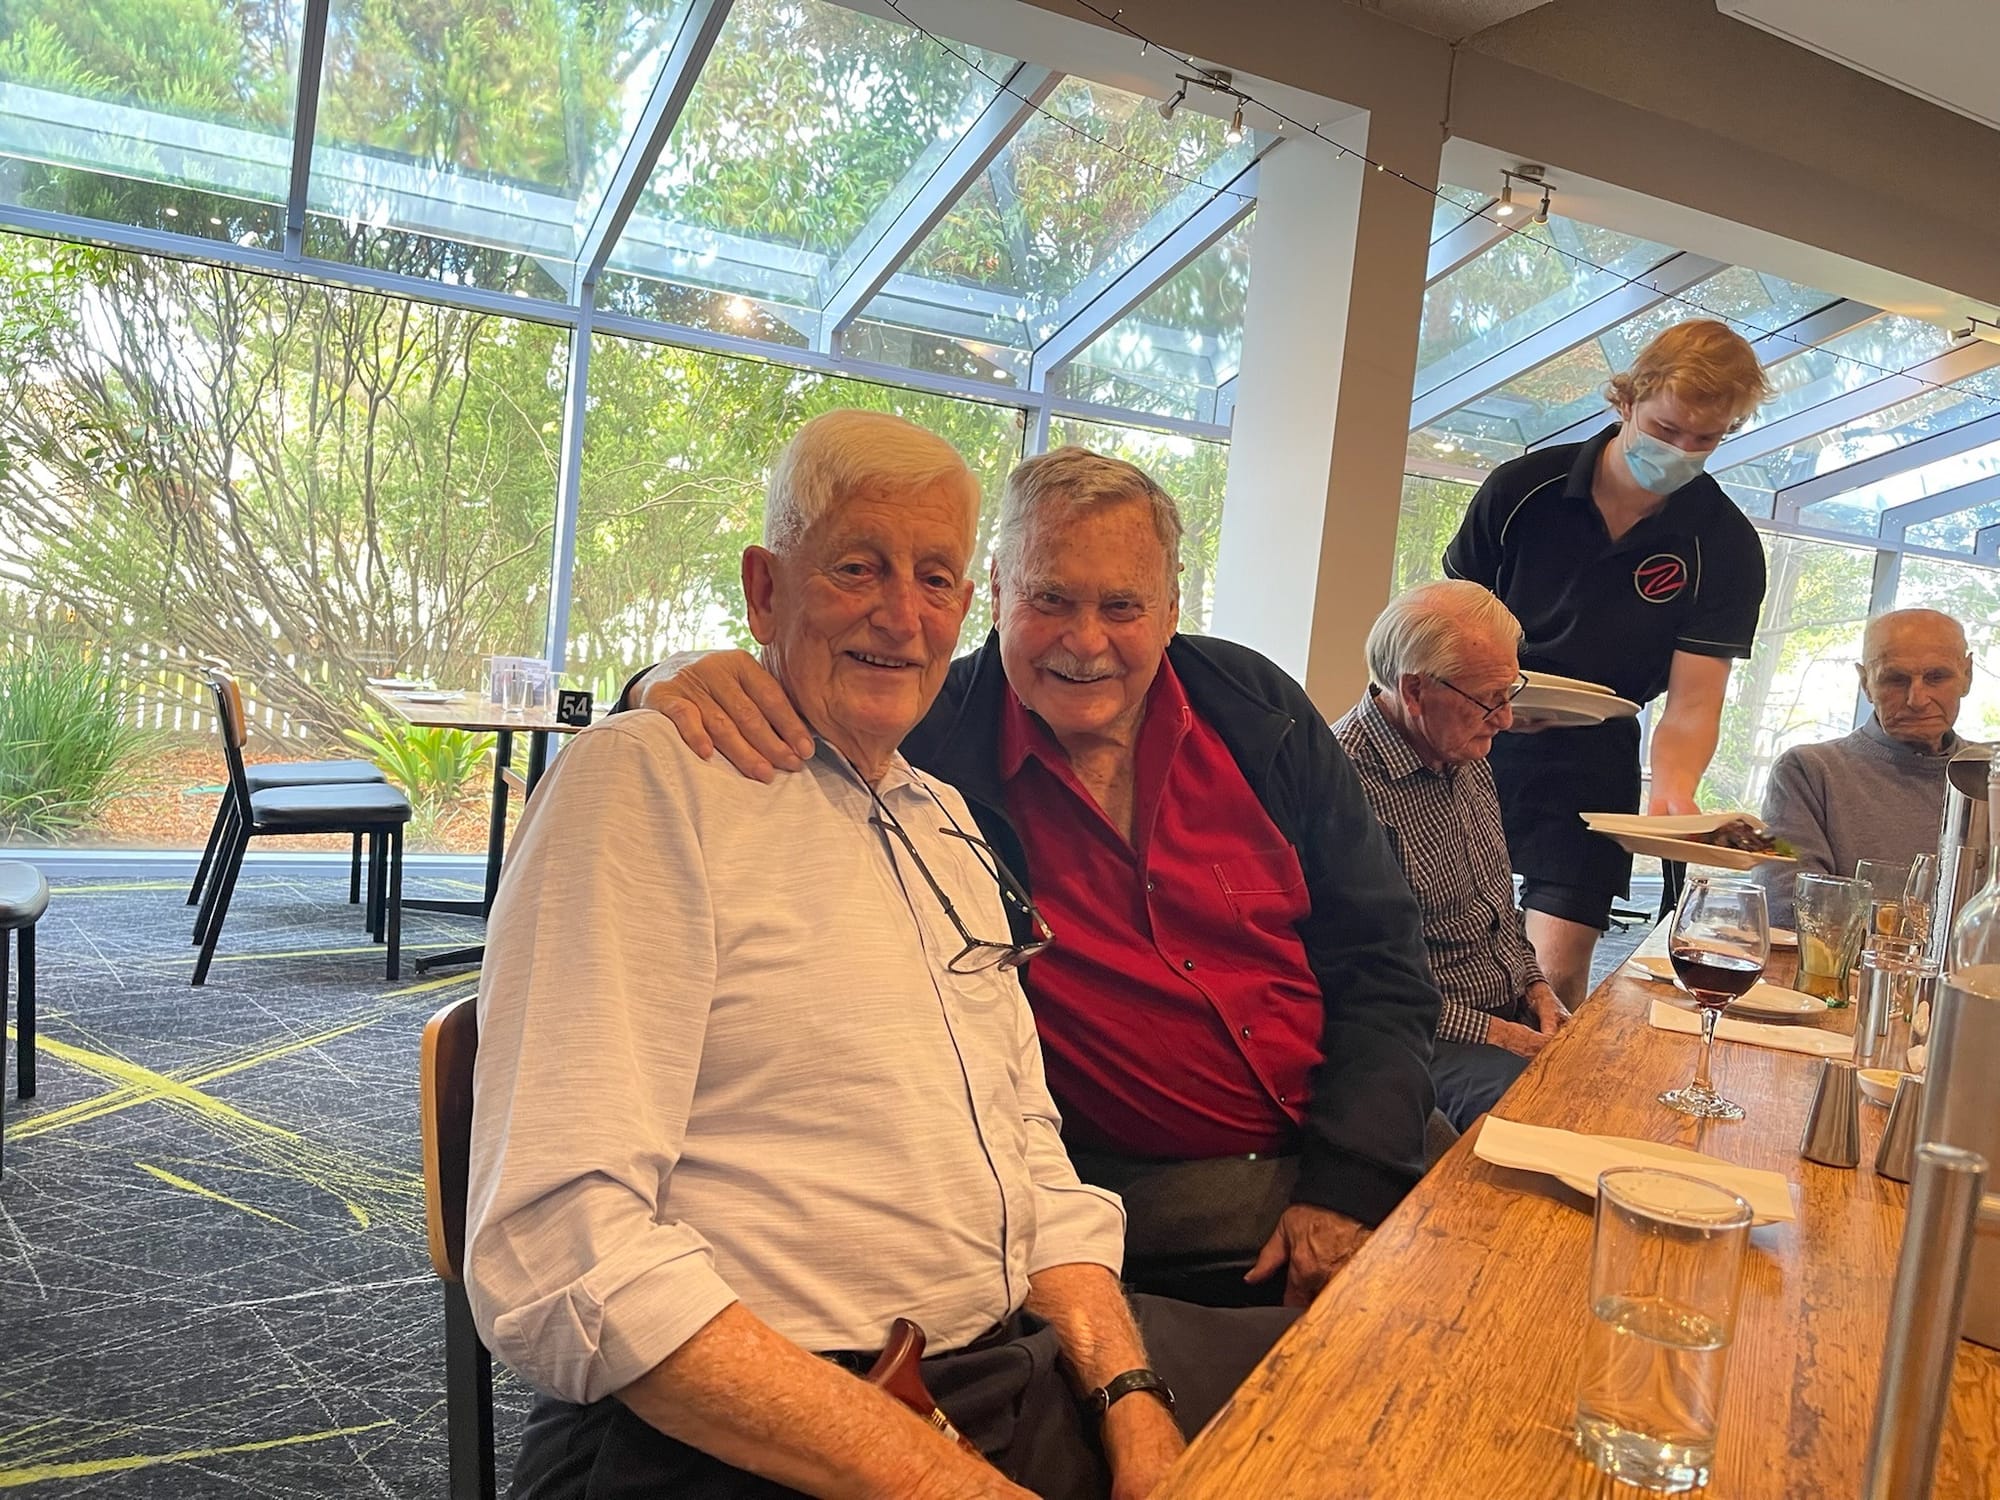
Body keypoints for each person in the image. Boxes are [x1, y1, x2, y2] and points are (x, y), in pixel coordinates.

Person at [466, 412, 1292, 1500]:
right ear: (766, 590)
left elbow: (1030, 1159)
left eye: (934, 578)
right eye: (857, 568)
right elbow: (565, 1248)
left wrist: (1132, 1404)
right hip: (753, 1426)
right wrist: (950, 1485)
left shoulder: (945, 819)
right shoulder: (652, 785)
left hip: (992, 1378)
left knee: (1352, 1401)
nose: (901, 616)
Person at [625, 446, 1443, 1309]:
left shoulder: (1256, 710)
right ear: (997, 594)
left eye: (1121, 606)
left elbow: (1384, 961)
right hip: (1144, 1206)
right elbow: (780, 693)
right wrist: (658, 681)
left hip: (1364, 1143)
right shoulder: (922, 732)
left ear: (1171, 609)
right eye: (1050, 599)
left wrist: (1351, 1180)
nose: (1084, 642)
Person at [1444, 318, 1774, 1008]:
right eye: (1665, 429)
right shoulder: (1521, 490)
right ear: (1625, 400)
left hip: (1595, 753)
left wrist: (1674, 792)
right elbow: (1448, 621)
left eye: (1705, 440)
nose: (1680, 451)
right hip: (1471, 733)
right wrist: (1480, 699)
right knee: (1440, 948)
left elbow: (1693, 701)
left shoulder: (1725, 545)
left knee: (1555, 973)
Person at [1331, 581, 1572, 1131]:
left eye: (1510, 692)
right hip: (1416, 1036)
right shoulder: (1341, 786)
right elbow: (1355, 980)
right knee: (1544, 1112)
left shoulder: (1463, 750)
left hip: (1503, 1013)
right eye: (1489, 699)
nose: (1505, 719)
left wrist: (1538, 989)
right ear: (1414, 690)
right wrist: (1502, 1035)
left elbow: (1499, 913)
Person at [1755, 608, 1975, 927]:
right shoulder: (1808, 772)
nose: (1917, 699)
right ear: (1865, 683)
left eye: (1936, 677)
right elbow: (1790, 913)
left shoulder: (1989, 778)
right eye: (1895, 679)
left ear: (1967, 676)